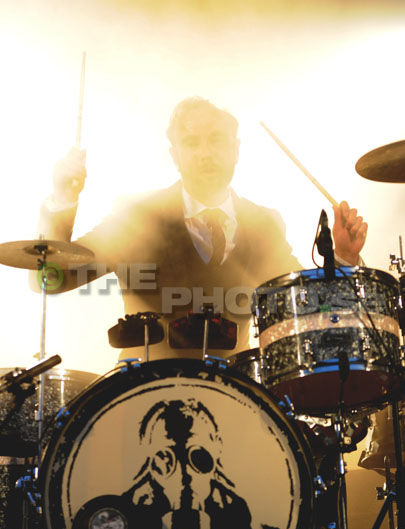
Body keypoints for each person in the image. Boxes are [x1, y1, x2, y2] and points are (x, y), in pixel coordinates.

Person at [36, 96, 367, 362]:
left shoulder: (264, 225)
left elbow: (309, 306)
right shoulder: (139, 218)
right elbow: (53, 278)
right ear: (175, 155)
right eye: (192, 143)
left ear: (236, 149)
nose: (205, 153)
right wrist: (63, 199)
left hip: (235, 399)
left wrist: (342, 258)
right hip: (142, 395)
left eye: (216, 140)